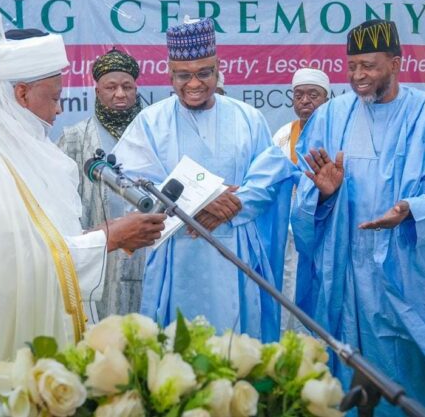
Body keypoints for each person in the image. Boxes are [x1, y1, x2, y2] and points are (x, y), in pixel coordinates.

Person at [0, 8, 165, 362]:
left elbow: (39, 239)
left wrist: (96, 234)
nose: (58, 109)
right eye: (53, 97)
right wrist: (108, 239)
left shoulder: (12, 148)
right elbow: (10, 272)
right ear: (21, 94)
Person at [292, 19, 425, 416]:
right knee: (348, 366)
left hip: (406, 267)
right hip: (346, 269)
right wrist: (324, 192)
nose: (358, 76)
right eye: (352, 67)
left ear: (396, 63)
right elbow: (306, 191)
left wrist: (410, 210)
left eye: (369, 66)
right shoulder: (332, 116)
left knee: (409, 370)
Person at [114, 17, 296, 342]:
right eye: (184, 75)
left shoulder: (247, 117)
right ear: (170, 74)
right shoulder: (151, 122)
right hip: (177, 254)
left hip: (237, 251)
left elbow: (271, 172)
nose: (194, 83)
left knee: (239, 351)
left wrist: (238, 202)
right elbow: (132, 181)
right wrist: (204, 198)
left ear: (217, 69)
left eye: (204, 73)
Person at [58, 48, 145, 319]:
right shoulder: (74, 137)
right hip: (98, 253)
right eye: (111, 87)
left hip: (146, 252)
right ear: (97, 92)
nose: (120, 94)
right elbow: (61, 198)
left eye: (127, 87)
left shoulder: (151, 132)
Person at [272, 67, 330, 332]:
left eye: (313, 95)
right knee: (287, 284)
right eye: (299, 95)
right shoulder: (282, 134)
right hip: (287, 231)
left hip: (323, 227)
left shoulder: (336, 131)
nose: (305, 101)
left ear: (327, 98)